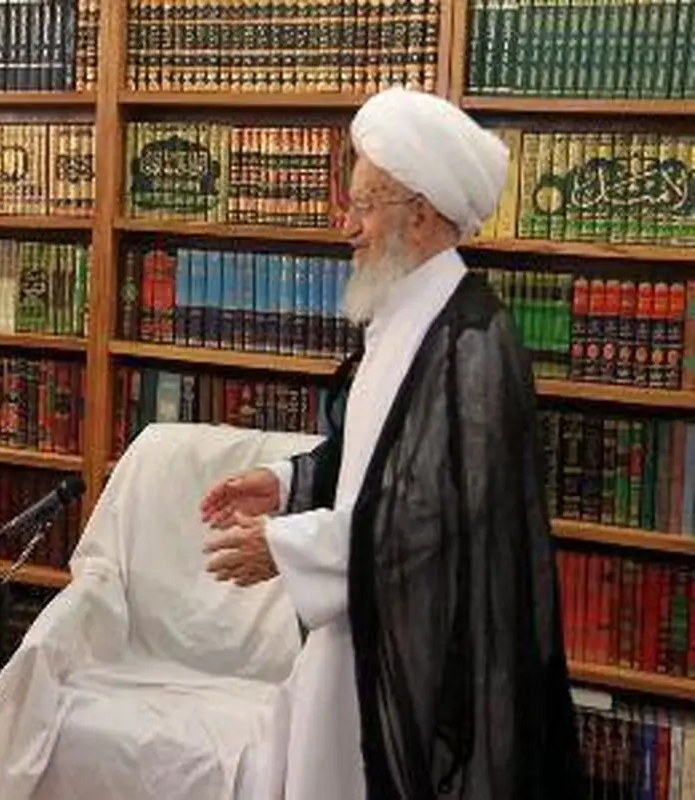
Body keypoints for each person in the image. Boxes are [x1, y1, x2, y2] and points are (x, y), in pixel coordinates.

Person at [199, 87, 582, 799]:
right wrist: (287, 483)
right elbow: (377, 459)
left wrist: (287, 547)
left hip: (419, 656)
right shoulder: (403, 310)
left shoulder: (471, 339)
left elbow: (432, 515)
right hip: (359, 631)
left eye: (365, 206)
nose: (348, 227)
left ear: (422, 214)